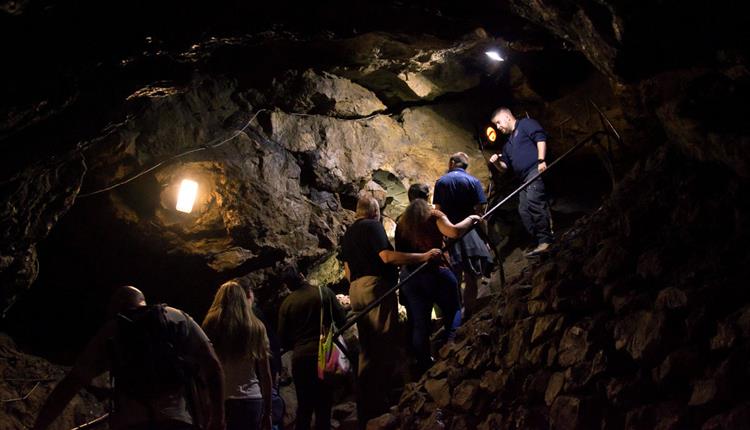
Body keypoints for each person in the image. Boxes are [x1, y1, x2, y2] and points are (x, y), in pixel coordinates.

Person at [32, 286, 225, 430]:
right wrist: (218, 417)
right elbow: (213, 366)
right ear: (143, 301)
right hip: (177, 419)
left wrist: (40, 425)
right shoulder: (177, 317)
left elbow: (73, 382)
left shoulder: (112, 330)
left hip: (131, 422)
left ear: (115, 308)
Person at [340, 194, 441, 428]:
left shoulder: (348, 234)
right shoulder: (372, 226)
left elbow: (347, 271)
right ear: (374, 211)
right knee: (385, 343)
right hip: (374, 287)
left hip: (356, 290)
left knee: (368, 348)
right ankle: (383, 403)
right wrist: (423, 257)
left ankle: (365, 405)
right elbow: (387, 257)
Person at [395, 188, 480, 375]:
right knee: (454, 309)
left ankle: (424, 364)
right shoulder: (433, 215)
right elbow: (454, 232)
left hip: (412, 277)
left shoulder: (402, 222)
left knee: (420, 324)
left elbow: (400, 254)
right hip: (437, 273)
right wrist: (471, 219)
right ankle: (450, 348)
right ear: (427, 198)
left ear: (409, 198)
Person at [276, 266, 347, 430]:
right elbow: (341, 320)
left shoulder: (286, 304)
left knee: (305, 406)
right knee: (324, 404)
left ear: (288, 285)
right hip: (324, 355)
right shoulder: (324, 293)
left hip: (301, 358)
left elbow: (283, 340)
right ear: (302, 275)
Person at [202, 281, 273, 430]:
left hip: (222, 398)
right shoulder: (256, 326)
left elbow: (206, 369)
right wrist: (268, 412)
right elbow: (265, 374)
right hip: (252, 398)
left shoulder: (211, 324)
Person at [433, 152, 494, 319]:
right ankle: (469, 314)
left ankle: (455, 314)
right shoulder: (474, 182)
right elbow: (480, 214)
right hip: (471, 235)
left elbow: (437, 211)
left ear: (452, 163)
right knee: (471, 278)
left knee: (454, 278)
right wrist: (485, 239)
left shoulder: (442, 182)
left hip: (450, 235)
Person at [489, 107, 554, 255]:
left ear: (506, 116)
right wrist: (496, 163)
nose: (498, 127)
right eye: (496, 125)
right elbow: (505, 168)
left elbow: (540, 138)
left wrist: (541, 160)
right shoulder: (507, 144)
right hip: (523, 179)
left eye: (498, 123)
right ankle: (539, 240)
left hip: (534, 170)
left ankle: (546, 240)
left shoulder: (525, 124)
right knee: (523, 210)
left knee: (534, 201)